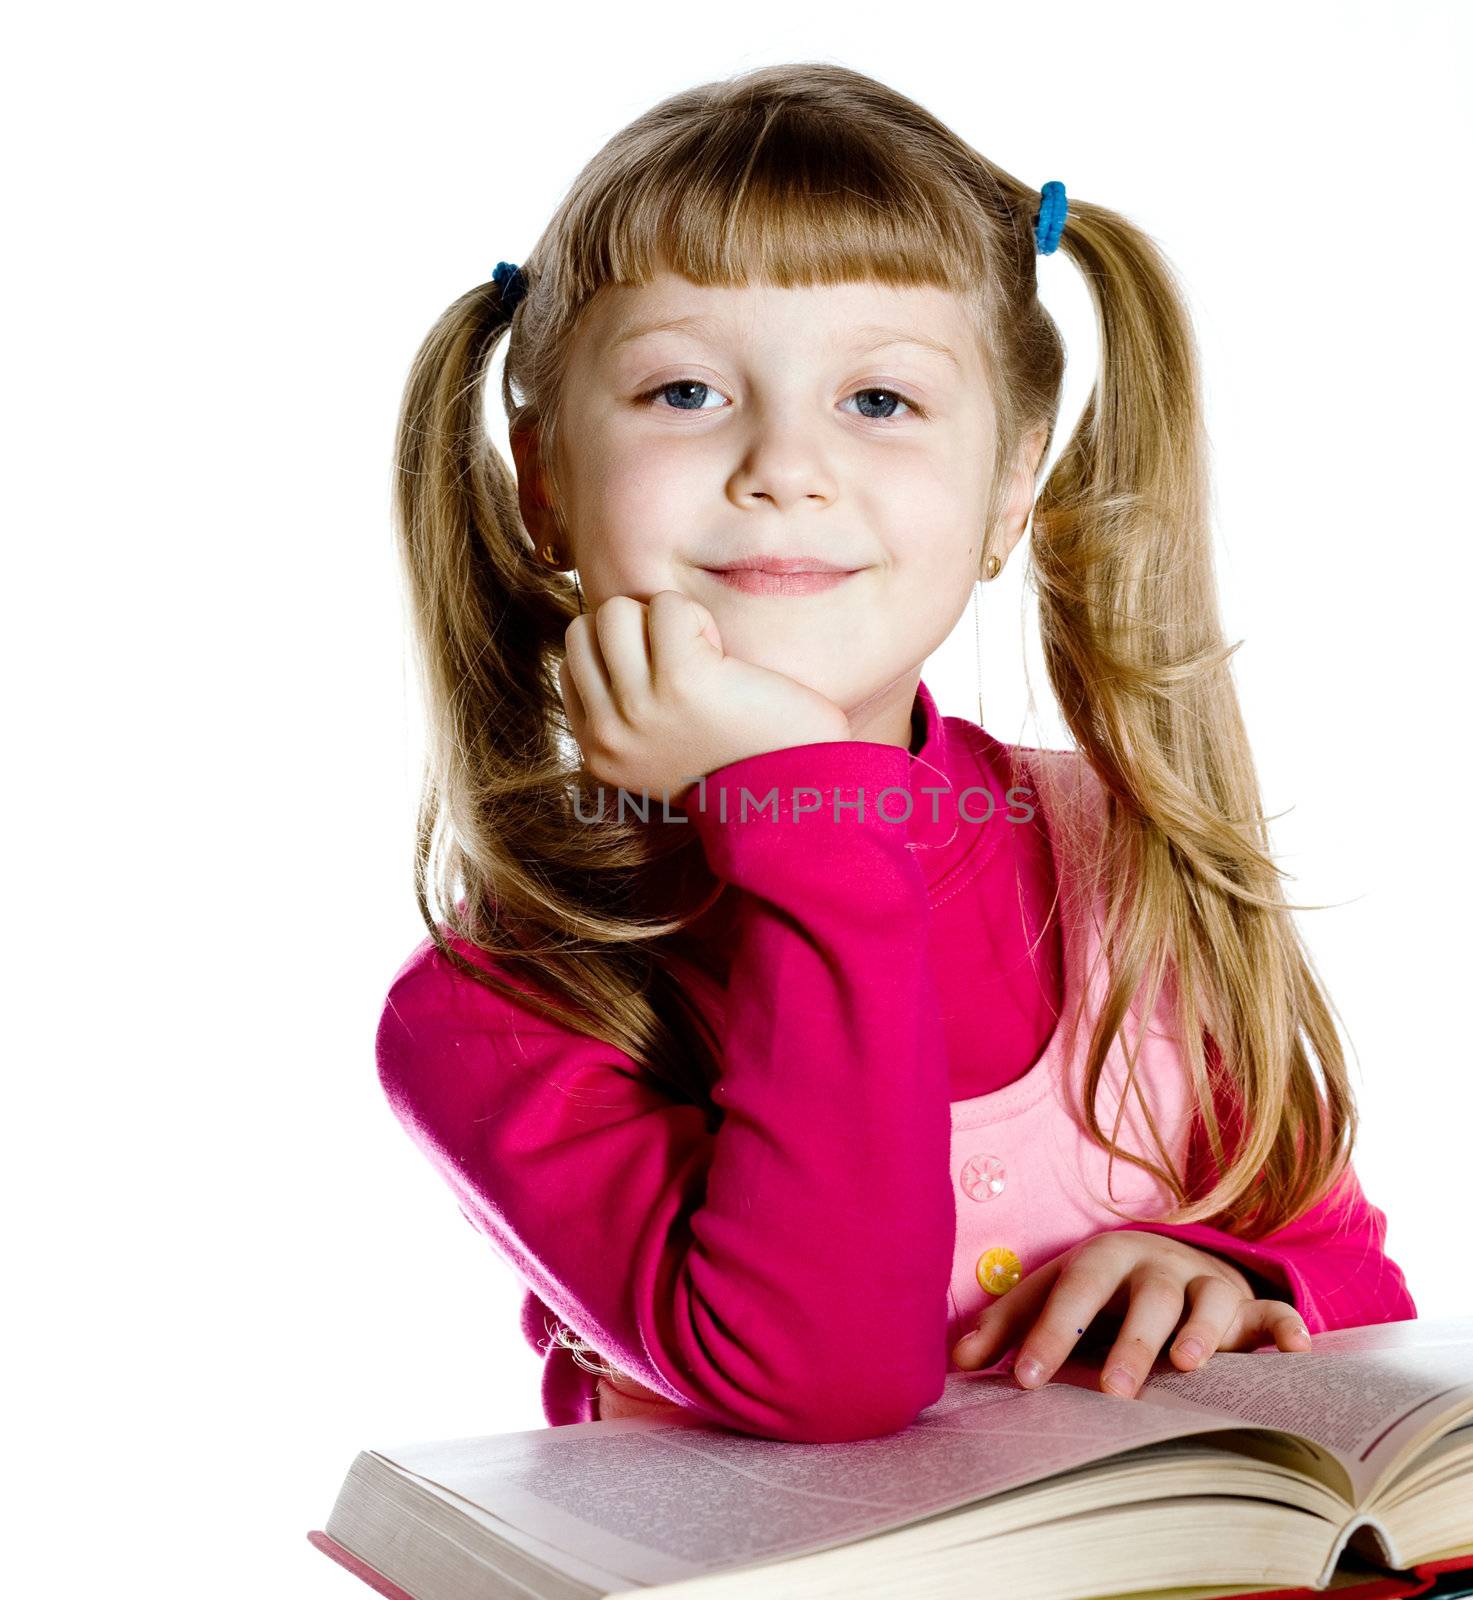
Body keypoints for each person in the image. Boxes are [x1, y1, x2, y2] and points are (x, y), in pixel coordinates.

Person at [374, 61, 1417, 1446]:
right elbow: (822, 1377)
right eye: (685, 390)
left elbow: (1359, 1285)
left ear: (1010, 488)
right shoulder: (495, 1001)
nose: (783, 465)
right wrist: (796, 801)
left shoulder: (1125, 848)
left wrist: (1235, 1277)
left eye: (879, 402)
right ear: (546, 485)